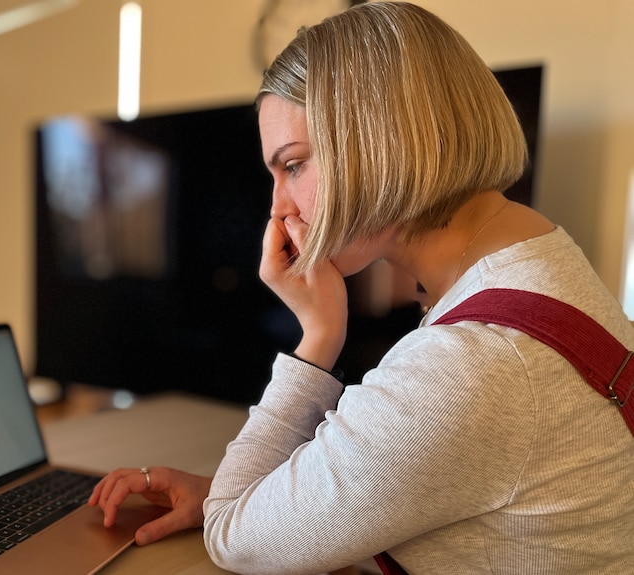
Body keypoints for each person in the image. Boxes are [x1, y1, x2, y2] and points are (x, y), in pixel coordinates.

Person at [88, 2, 634, 573]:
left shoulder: (473, 361)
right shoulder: (540, 260)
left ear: (383, 141)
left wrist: (318, 334)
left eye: (294, 165)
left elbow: (233, 538)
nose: (278, 206)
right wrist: (259, 505)